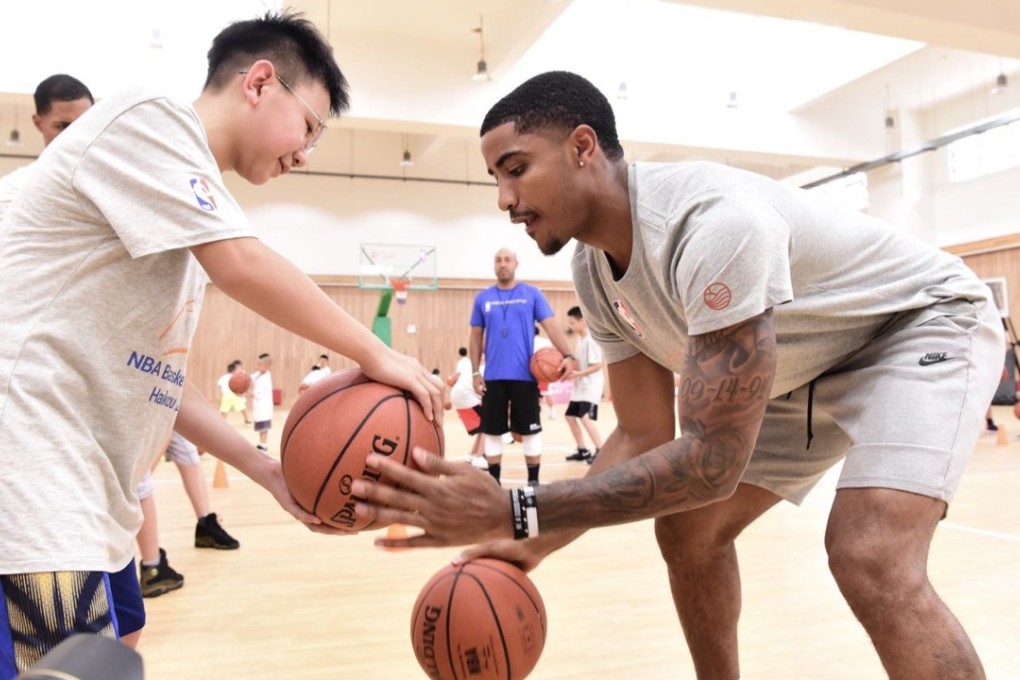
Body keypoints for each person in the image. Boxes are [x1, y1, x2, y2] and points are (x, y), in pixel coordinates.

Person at [353, 71, 1003, 680]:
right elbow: (642, 433)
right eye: (496, 179)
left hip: (917, 325)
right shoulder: (592, 270)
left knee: (869, 554)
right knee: (690, 530)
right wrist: (536, 540)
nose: (505, 200)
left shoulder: (712, 225)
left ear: (582, 148)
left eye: (516, 169)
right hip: (801, 369)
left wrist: (520, 510)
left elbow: (712, 462)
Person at [0, 12, 443, 676]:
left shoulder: (176, 229)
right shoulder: (149, 116)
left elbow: (157, 381)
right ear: (259, 82)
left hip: (96, 494)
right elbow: (242, 263)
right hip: (36, 474)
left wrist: (266, 471)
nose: (305, 153)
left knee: (123, 645)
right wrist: (375, 351)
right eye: (310, 127)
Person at [469, 247, 575, 487]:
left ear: (516, 264)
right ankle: (494, 484)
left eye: (507, 260)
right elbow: (475, 337)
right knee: (493, 431)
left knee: (530, 430)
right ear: (494, 265)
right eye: (498, 260)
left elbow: (551, 326)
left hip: (525, 377)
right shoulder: (483, 298)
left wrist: (568, 354)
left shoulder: (532, 294)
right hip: (493, 377)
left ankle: (533, 484)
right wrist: (475, 372)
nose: (503, 264)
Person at [0, 74, 93, 219]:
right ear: (38, 123)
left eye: (84, 124)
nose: (75, 135)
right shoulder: (11, 192)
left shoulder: (113, 181)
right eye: (62, 126)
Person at [563, 305, 604, 464]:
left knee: (585, 417)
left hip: (592, 386)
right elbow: (579, 362)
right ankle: (582, 450)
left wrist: (578, 374)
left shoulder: (591, 340)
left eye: (573, 323)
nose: (571, 326)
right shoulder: (580, 339)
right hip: (581, 385)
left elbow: (598, 365)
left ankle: (601, 450)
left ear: (582, 321)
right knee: (570, 416)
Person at [448, 347, 487, 468]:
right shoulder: (489, 369)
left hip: (457, 395)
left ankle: (473, 455)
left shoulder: (473, 365)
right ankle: (480, 457)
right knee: (489, 424)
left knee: (483, 426)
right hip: (465, 395)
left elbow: (454, 379)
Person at [532, 326, 558, 419]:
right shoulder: (546, 341)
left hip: (533, 369)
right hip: (545, 369)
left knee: (534, 392)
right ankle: (552, 411)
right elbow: (553, 354)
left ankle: (537, 411)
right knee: (546, 392)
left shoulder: (528, 341)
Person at [250, 353, 274, 451]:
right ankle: (261, 443)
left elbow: (258, 392)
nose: (257, 366)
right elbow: (249, 378)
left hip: (264, 407)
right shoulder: (259, 374)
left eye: (259, 365)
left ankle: (263, 445)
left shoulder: (266, 377)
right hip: (259, 406)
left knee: (264, 427)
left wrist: (248, 394)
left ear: (266, 366)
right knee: (260, 426)